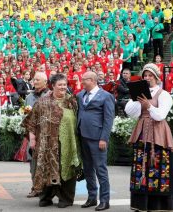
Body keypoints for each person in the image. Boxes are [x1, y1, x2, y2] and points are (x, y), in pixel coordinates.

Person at [21, 73, 82, 208]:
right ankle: (45, 197)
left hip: (68, 142)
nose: (62, 87)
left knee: (66, 169)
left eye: (64, 85)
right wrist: (32, 138)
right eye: (59, 84)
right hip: (46, 143)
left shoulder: (71, 101)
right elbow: (31, 121)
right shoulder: (42, 102)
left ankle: (65, 198)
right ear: (52, 86)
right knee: (45, 168)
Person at [125, 63, 173, 211]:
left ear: (156, 78)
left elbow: (160, 115)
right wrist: (136, 100)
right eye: (145, 76)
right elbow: (130, 112)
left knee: (158, 166)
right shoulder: (140, 93)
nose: (147, 78)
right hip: (142, 132)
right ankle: (140, 204)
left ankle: (159, 205)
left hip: (158, 133)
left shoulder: (163, 94)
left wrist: (149, 106)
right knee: (140, 166)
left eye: (150, 76)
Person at [77, 71, 115, 211]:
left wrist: (104, 138)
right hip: (83, 136)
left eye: (84, 80)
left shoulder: (106, 96)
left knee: (100, 170)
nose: (82, 82)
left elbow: (108, 119)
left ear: (92, 80)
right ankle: (92, 197)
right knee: (87, 169)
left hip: (98, 138)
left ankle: (105, 200)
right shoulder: (80, 95)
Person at [24, 72, 50, 198]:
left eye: (38, 80)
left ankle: (46, 189)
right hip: (32, 133)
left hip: (47, 134)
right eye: (34, 80)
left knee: (46, 162)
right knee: (32, 161)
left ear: (45, 81)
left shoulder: (51, 95)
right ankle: (35, 187)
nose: (35, 82)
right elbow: (25, 114)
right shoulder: (29, 97)